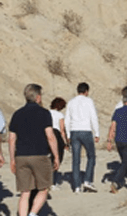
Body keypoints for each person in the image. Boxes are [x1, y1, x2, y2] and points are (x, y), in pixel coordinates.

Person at [8, 84, 59, 216]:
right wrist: (56, 156)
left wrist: (13, 159)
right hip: (40, 155)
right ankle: (33, 213)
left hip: (21, 156)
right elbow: (50, 136)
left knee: (25, 192)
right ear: (38, 97)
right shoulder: (44, 113)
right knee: (43, 189)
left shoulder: (17, 114)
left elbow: (11, 139)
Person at [65, 82, 100, 193]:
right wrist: (97, 133)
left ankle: (76, 186)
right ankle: (87, 180)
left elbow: (67, 120)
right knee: (91, 156)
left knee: (76, 159)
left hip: (74, 131)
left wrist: (68, 135)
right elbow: (93, 117)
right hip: (86, 131)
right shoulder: (89, 101)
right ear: (86, 91)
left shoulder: (71, 102)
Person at [49, 97, 70, 190]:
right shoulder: (60, 115)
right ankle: (52, 183)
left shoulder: (47, 113)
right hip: (56, 135)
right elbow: (62, 130)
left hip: (46, 134)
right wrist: (66, 142)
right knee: (57, 158)